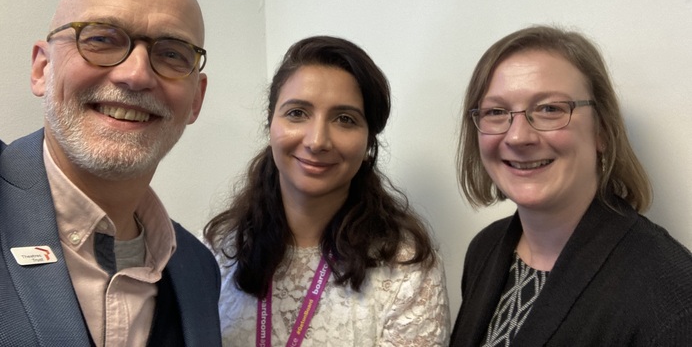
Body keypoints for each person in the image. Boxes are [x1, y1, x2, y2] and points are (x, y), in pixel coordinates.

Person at [0, 0, 221, 346]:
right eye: (100, 39)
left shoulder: (198, 270)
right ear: (42, 68)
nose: (135, 75)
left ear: (196, 99)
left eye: (171, 54)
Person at [450, 25, 692, 346]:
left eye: (550, 109)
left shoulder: (670, 292)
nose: (518, 136)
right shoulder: (486, 248)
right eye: (496, 112)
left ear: (602, 130)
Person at [205, 35, 450, 346]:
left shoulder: (406, 268)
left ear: (368, 143)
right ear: (271, 125)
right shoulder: (216, 251)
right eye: (297, 113)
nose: (317, 140)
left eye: (345, 119)